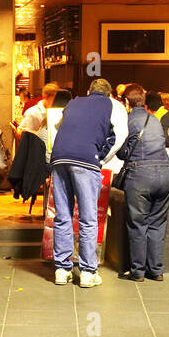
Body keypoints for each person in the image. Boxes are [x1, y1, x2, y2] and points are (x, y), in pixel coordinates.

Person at [48, 79, 116, 288]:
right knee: (88, 218)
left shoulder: (74, 102)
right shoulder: (110, 105)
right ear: (109, 94)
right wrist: (99, 157)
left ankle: (62, 269)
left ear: (88, 91)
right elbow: (114, 137)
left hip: (59, 159)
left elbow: (58, 126)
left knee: (62, 214)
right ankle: (87, 271)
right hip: (86, 161)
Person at [118, 84, 169, 281]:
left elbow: (123, 152)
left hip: (140, 176)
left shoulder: (129, 120)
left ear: (126, 101)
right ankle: (156, 271)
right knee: (157, 223)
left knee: (138, 223)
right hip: (165, 174)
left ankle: (138, 271)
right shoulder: (155, 120)